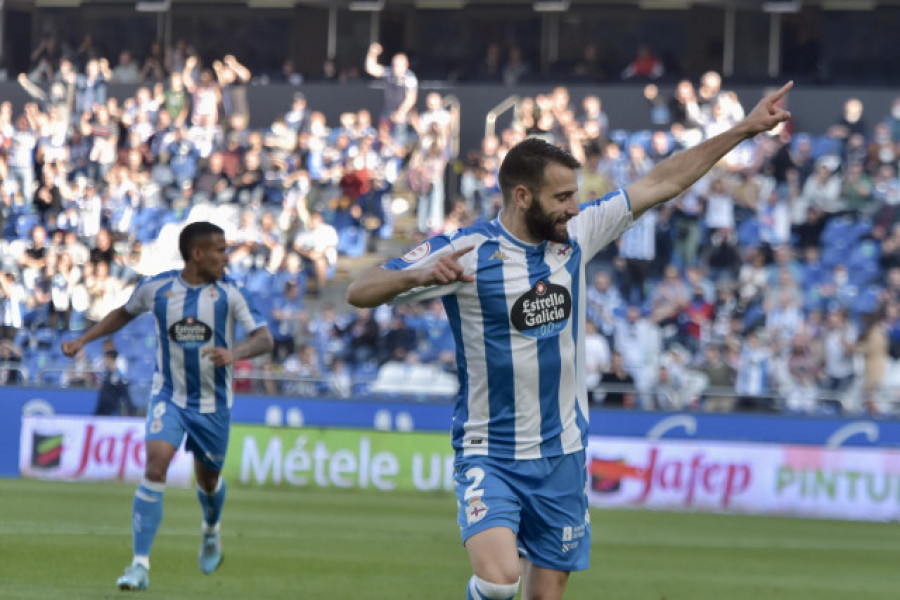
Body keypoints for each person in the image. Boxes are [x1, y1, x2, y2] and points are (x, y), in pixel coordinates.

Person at [347, 83, 792, 600]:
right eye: (561, 197)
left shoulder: (576, 237)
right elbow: (360, 289)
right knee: (497, 585)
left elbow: (661, 182)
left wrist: (742, 129)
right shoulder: (467, 252)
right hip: (489, 451)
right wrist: (416, 277)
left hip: (563, 455)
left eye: (576, 195)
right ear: (521, 196)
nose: (574, 208)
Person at [61, 221, 273, 592]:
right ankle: (139, 565)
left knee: (207, 480)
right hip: (169, 396)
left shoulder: (230, 293)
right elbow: (124, 312)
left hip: (213, 404)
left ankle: (210, 529)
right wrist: (83, 340)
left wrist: (234, 353)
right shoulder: (158, 288)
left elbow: (264, 338)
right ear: (198, 254)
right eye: (220, 250)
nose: (226, 257)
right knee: (155, 466)